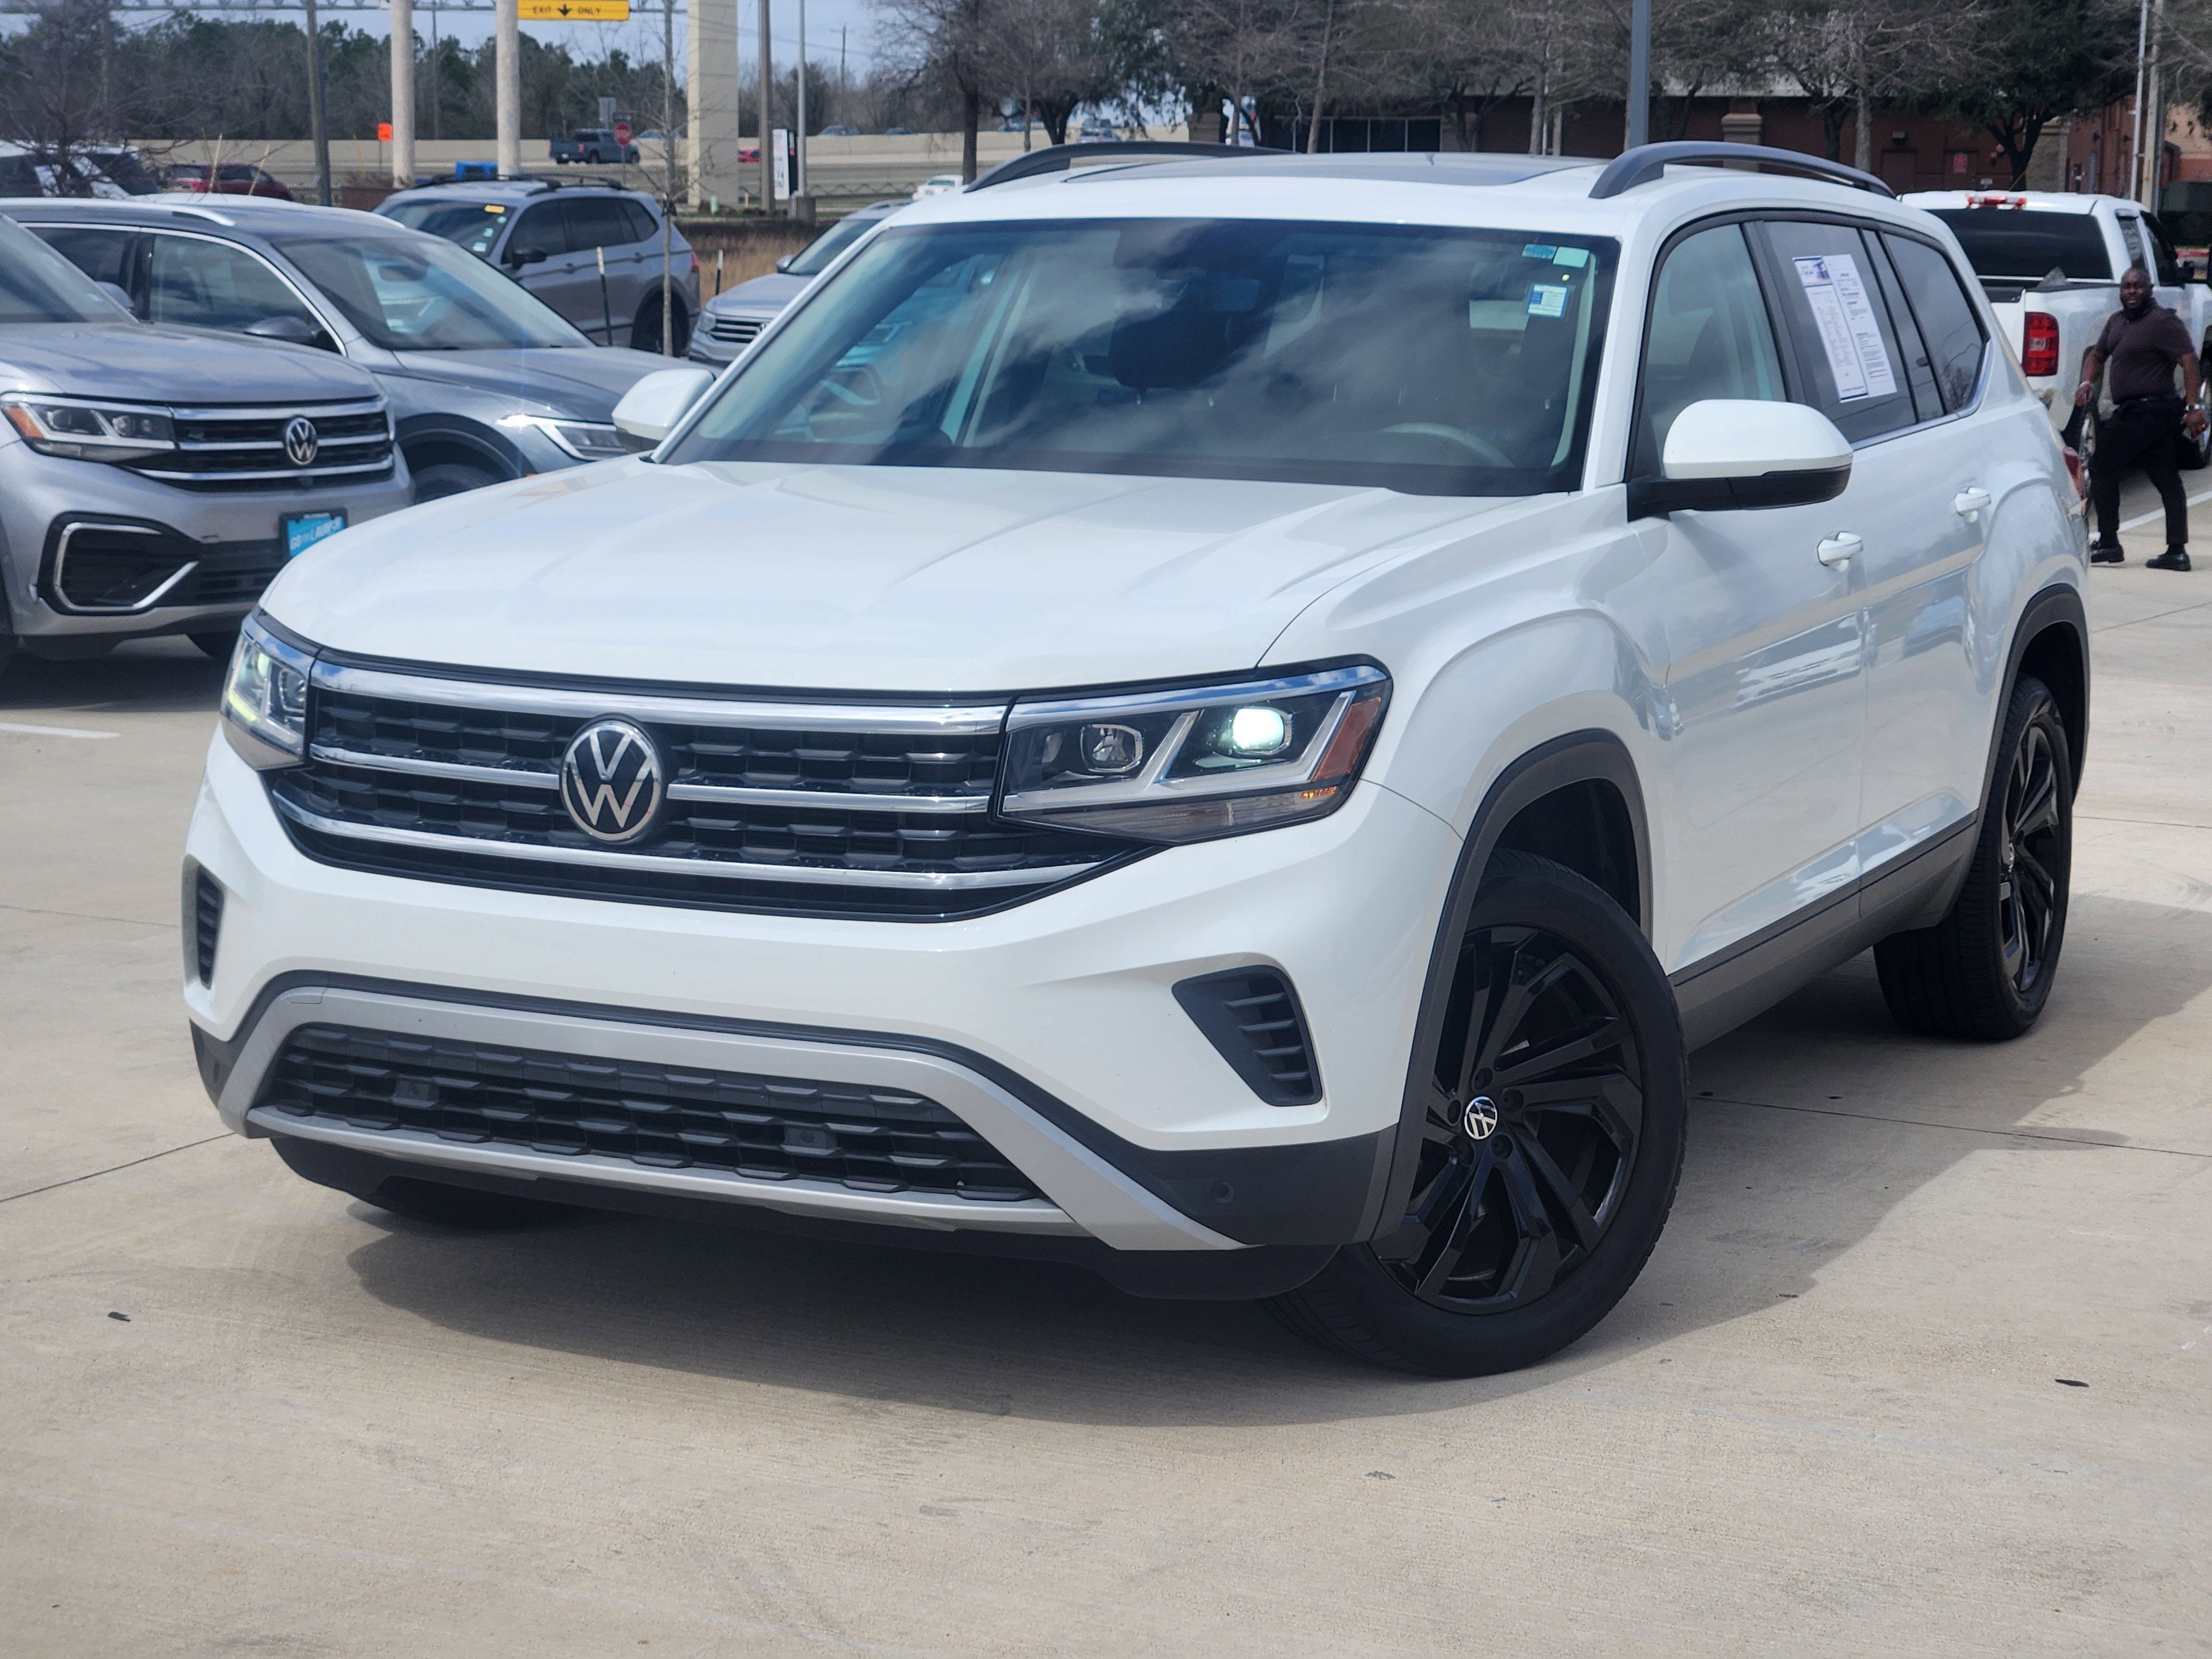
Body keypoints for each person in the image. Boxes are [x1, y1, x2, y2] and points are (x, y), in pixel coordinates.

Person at [2076, 264, 2207, 572]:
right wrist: (2086, 382)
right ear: (2120, 291)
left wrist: (2193, 407)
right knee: (2165, 476)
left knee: (2102, 466)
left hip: (2151, 410)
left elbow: (2189, 362)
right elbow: (2098, 354)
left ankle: (2109, 542)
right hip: (2137, 410)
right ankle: (2176, 552)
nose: (2132, 291)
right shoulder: (2117, 322)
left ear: (2150, 290)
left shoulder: (2164, 322)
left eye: (2138, 286)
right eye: (2126, 286)